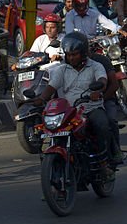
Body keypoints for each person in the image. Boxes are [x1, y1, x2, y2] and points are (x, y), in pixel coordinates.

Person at [33, 33, 113, 176]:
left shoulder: (96, 66)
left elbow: (102, 80)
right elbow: (51, 88)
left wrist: (98, 90)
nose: (71, 58)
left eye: (74, 54)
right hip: (69, 112)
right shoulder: (61, 69)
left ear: (82, 53)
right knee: (47, 132)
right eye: (69, 55)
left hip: (91, 108)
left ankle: (103, 162)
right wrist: (40, 99)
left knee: (102, 124)